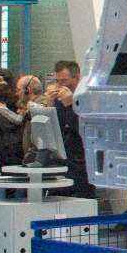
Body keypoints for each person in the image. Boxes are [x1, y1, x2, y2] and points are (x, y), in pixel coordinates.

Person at [50, 59, 89, 195]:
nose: (61, 85)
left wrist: (71, 105)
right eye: (58, 81)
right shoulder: (59, 100)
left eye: (64, 81)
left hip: (82, 161)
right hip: (65, 159)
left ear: (76, 77)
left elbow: (84, 130)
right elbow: (57, 128)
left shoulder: (87, 97)